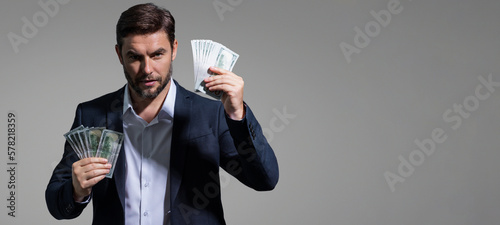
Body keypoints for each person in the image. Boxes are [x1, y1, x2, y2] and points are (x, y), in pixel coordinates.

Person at [45, 3, 279, 225]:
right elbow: (57, 204)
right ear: (119, 55)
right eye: (135, 57)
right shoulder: (92, 114)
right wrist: (76, 191)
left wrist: (238, 114)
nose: (147, 69)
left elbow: (264, 180)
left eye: (157, 54)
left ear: (174, 49)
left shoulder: (211, 114)